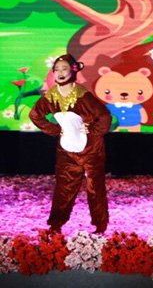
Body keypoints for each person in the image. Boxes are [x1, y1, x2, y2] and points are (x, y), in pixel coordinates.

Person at [29, 54, 112, 234]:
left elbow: (105, 116)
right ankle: (56, 224)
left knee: (95, 187)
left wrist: (93, 130)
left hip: (91, 149)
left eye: (64, 69)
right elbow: (35, 115)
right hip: (66, 149)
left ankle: (100, 226)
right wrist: (54, 129)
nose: (60, 73)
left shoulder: (82, 95)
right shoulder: (51, 95)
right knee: (63, 187)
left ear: (73, 71)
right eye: (57, 70)